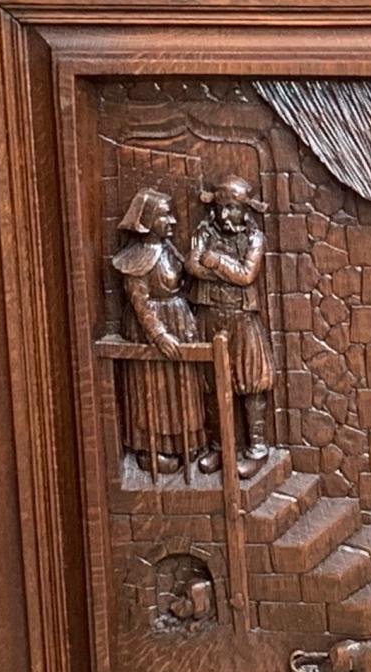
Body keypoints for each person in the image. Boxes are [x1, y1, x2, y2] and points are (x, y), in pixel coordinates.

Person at [110, 187, 212, 474]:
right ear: (148, 219)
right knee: (155, 388)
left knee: (183, 386)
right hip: (154, 329)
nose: (173, 221)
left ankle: (186, 441)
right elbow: (140, 303)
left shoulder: (168, 249)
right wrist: (159, 335)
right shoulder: (137, 258)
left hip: (178, 322)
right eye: (166, 215)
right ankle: (154, 447)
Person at [186, 176, 277, 466]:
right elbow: (192, 265)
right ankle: (219, 446)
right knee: (211, 383)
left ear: (244, 209)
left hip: (241, 318)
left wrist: (215, 262)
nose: (224, 215)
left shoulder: (254, 238)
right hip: (209, 314)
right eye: (220, 208)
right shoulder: (204, 231)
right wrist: (223, 269)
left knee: (250, 382)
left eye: (231, 208)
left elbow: (246, 275)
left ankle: (257, 448)